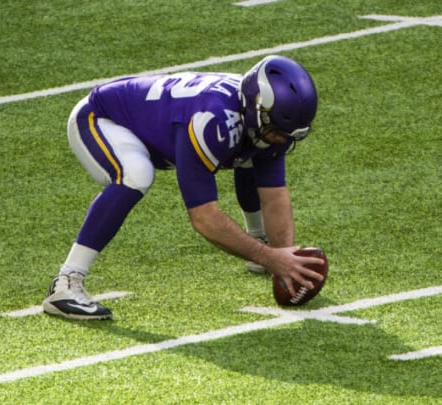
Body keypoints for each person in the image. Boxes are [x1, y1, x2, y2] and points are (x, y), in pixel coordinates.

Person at [42, 55, 324, 320]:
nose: (281, 139)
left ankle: (259, 240)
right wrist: (272, 258)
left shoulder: (269, 118)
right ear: (257, 106)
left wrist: (285, 259)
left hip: (158, 125)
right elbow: (204, 219)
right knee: (136, 174)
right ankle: (66, 282)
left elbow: (275, 197)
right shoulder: (211, 120)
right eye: (276, 129)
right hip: (100, 119)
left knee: (255, 151)